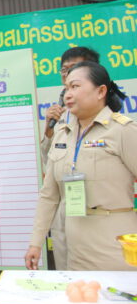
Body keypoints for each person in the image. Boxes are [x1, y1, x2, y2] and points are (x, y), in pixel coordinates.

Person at [26, 61, 137, 271]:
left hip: (115, 247)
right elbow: (49, 195)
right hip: (74, 249)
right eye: (66, 88)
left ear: (101, 91)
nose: (68, 94)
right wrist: (36, 242)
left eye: (75, 87)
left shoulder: (123, 130)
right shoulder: (62, 134)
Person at [40, 46, 100, 270]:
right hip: (65, 207)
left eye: (74, 68)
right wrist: (48, 129)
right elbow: (47, 161)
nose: (67, 75)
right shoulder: (59, 116)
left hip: (97, 210)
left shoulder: (109, 115)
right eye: (64, 70)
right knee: (66, 272)